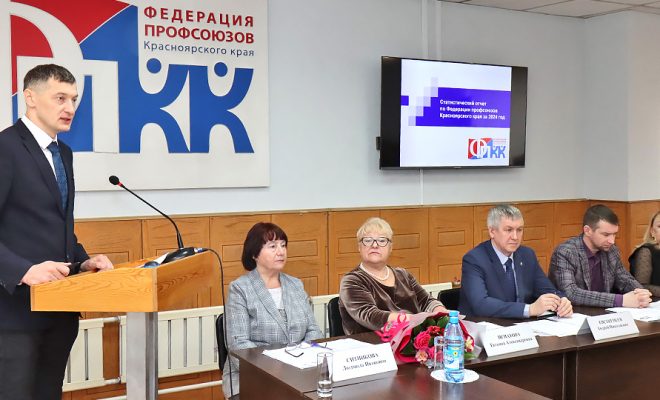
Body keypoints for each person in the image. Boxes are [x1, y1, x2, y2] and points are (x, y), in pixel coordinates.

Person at [0, 64, 113, 399]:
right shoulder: (5, 148)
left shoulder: (63, 153)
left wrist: (83, 262)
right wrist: (23, 271)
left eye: (74, 99)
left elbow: (59, 225)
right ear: (30, 98)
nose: (70, 107)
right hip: (14, 315)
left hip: (60, 312)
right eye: (60, 98)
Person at [223, 222, 322, 400]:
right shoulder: (240, 289)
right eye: (273, 246)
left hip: (299, 375)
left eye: (283, 245)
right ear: (254, 253)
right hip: (253, 378)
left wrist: (302, 358)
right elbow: (238, 345)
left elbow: (313, 330)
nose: (281, 251)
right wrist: (279, 366)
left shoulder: (295, 284)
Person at [459, 205, 572, 318]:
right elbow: (481, 304)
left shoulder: (527, 255)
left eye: (519, 230)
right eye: (509, 230)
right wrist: (529, 309)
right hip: (484, 325)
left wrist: (561, 301)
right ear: (492, 231)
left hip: (522, 325)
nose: (515, 237)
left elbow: (547, 290)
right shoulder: (475, 259)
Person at [339, 217, 447, 335]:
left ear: (390, 247)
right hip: (371, 344)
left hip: (412, 340)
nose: (374, 245)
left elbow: (426, 301)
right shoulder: (352, 280)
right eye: (368, 240)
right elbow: (371, 317)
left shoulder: (404, 275)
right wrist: (417, 319)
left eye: (382, 240)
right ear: (359, 247)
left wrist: (441, 313)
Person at [549, 204, 651, 308]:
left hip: (605, 313)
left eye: (614, 234)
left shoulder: (612, 250)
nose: (612, 241)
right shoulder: (566, 252)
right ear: (587, 230)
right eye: (606, 235)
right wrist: (620, 300)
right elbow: (571, 293)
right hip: (574, 313)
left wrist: (640, 292)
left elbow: (625, 280)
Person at [629, 211, 660, 297]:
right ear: (652, 231)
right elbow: (641, 286)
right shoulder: (645, 251)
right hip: (652, 302)